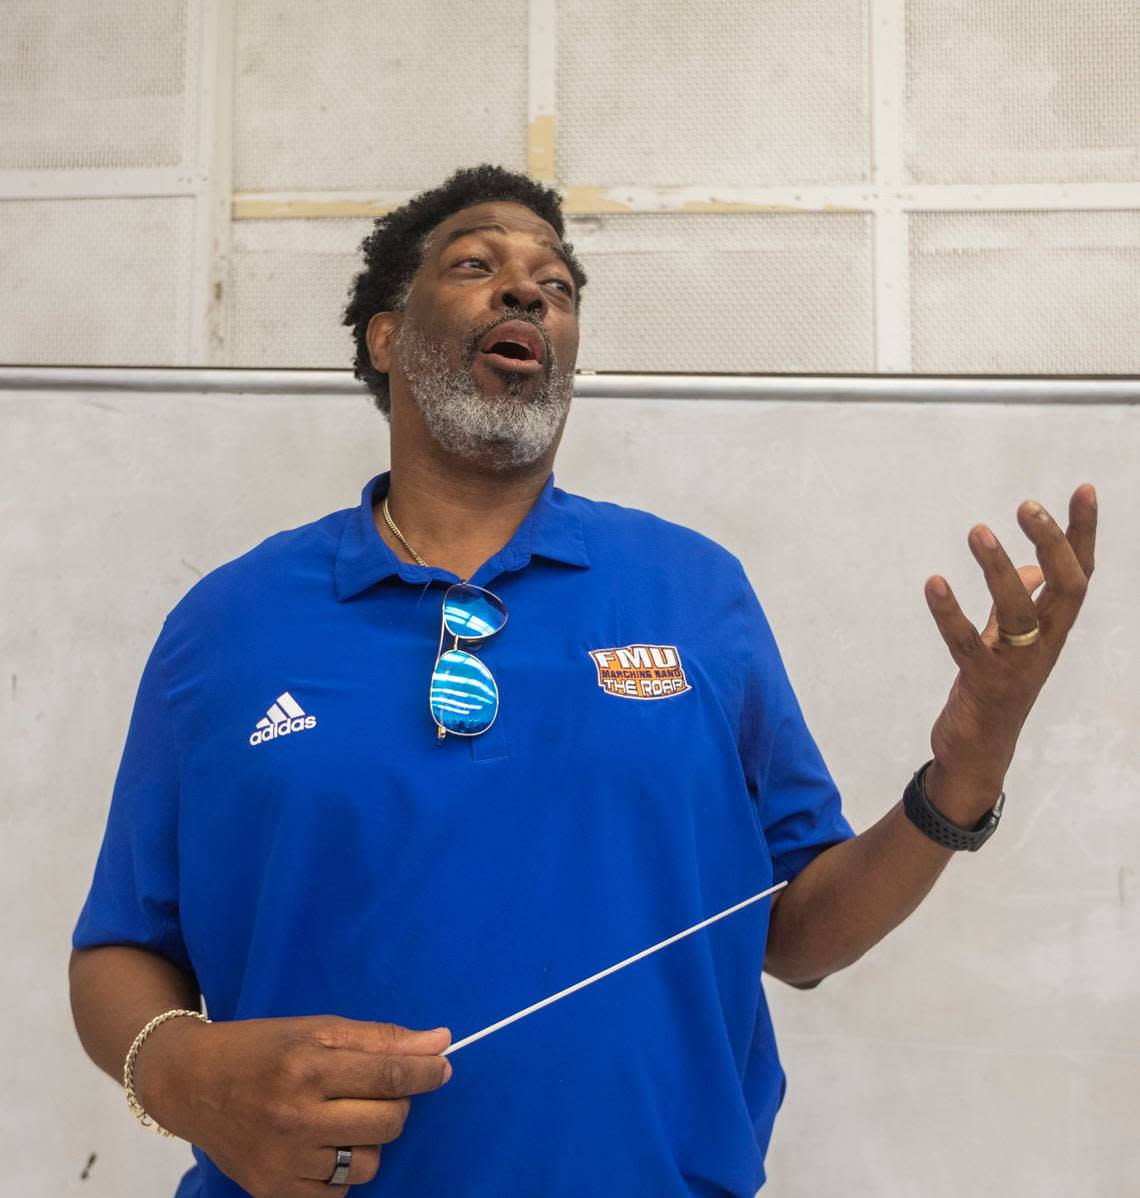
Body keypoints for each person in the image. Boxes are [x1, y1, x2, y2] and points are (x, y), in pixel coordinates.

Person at [69, 164, 1097, 1198]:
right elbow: (117, 951)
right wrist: (187, 1075)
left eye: (556, 285)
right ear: (385, 336)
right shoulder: (227, 624)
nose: (527, 291)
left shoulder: (696, 592)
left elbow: (799, 935)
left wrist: (962, 773)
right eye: (477, 265)